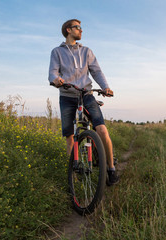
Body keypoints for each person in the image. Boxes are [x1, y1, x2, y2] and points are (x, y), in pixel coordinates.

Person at [48, 19, 119, 185]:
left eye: (81, 28)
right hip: (67, 96)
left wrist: (105, 87)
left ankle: (111, 168)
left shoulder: (86, 51)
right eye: (77, 27)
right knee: (70, 136)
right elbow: (52, 72)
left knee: (101, 130)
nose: (81, 30)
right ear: (68, 30)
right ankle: (73, 174)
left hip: (86, 94)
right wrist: (55, 79)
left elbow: (96, 71)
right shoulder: (57, 52)